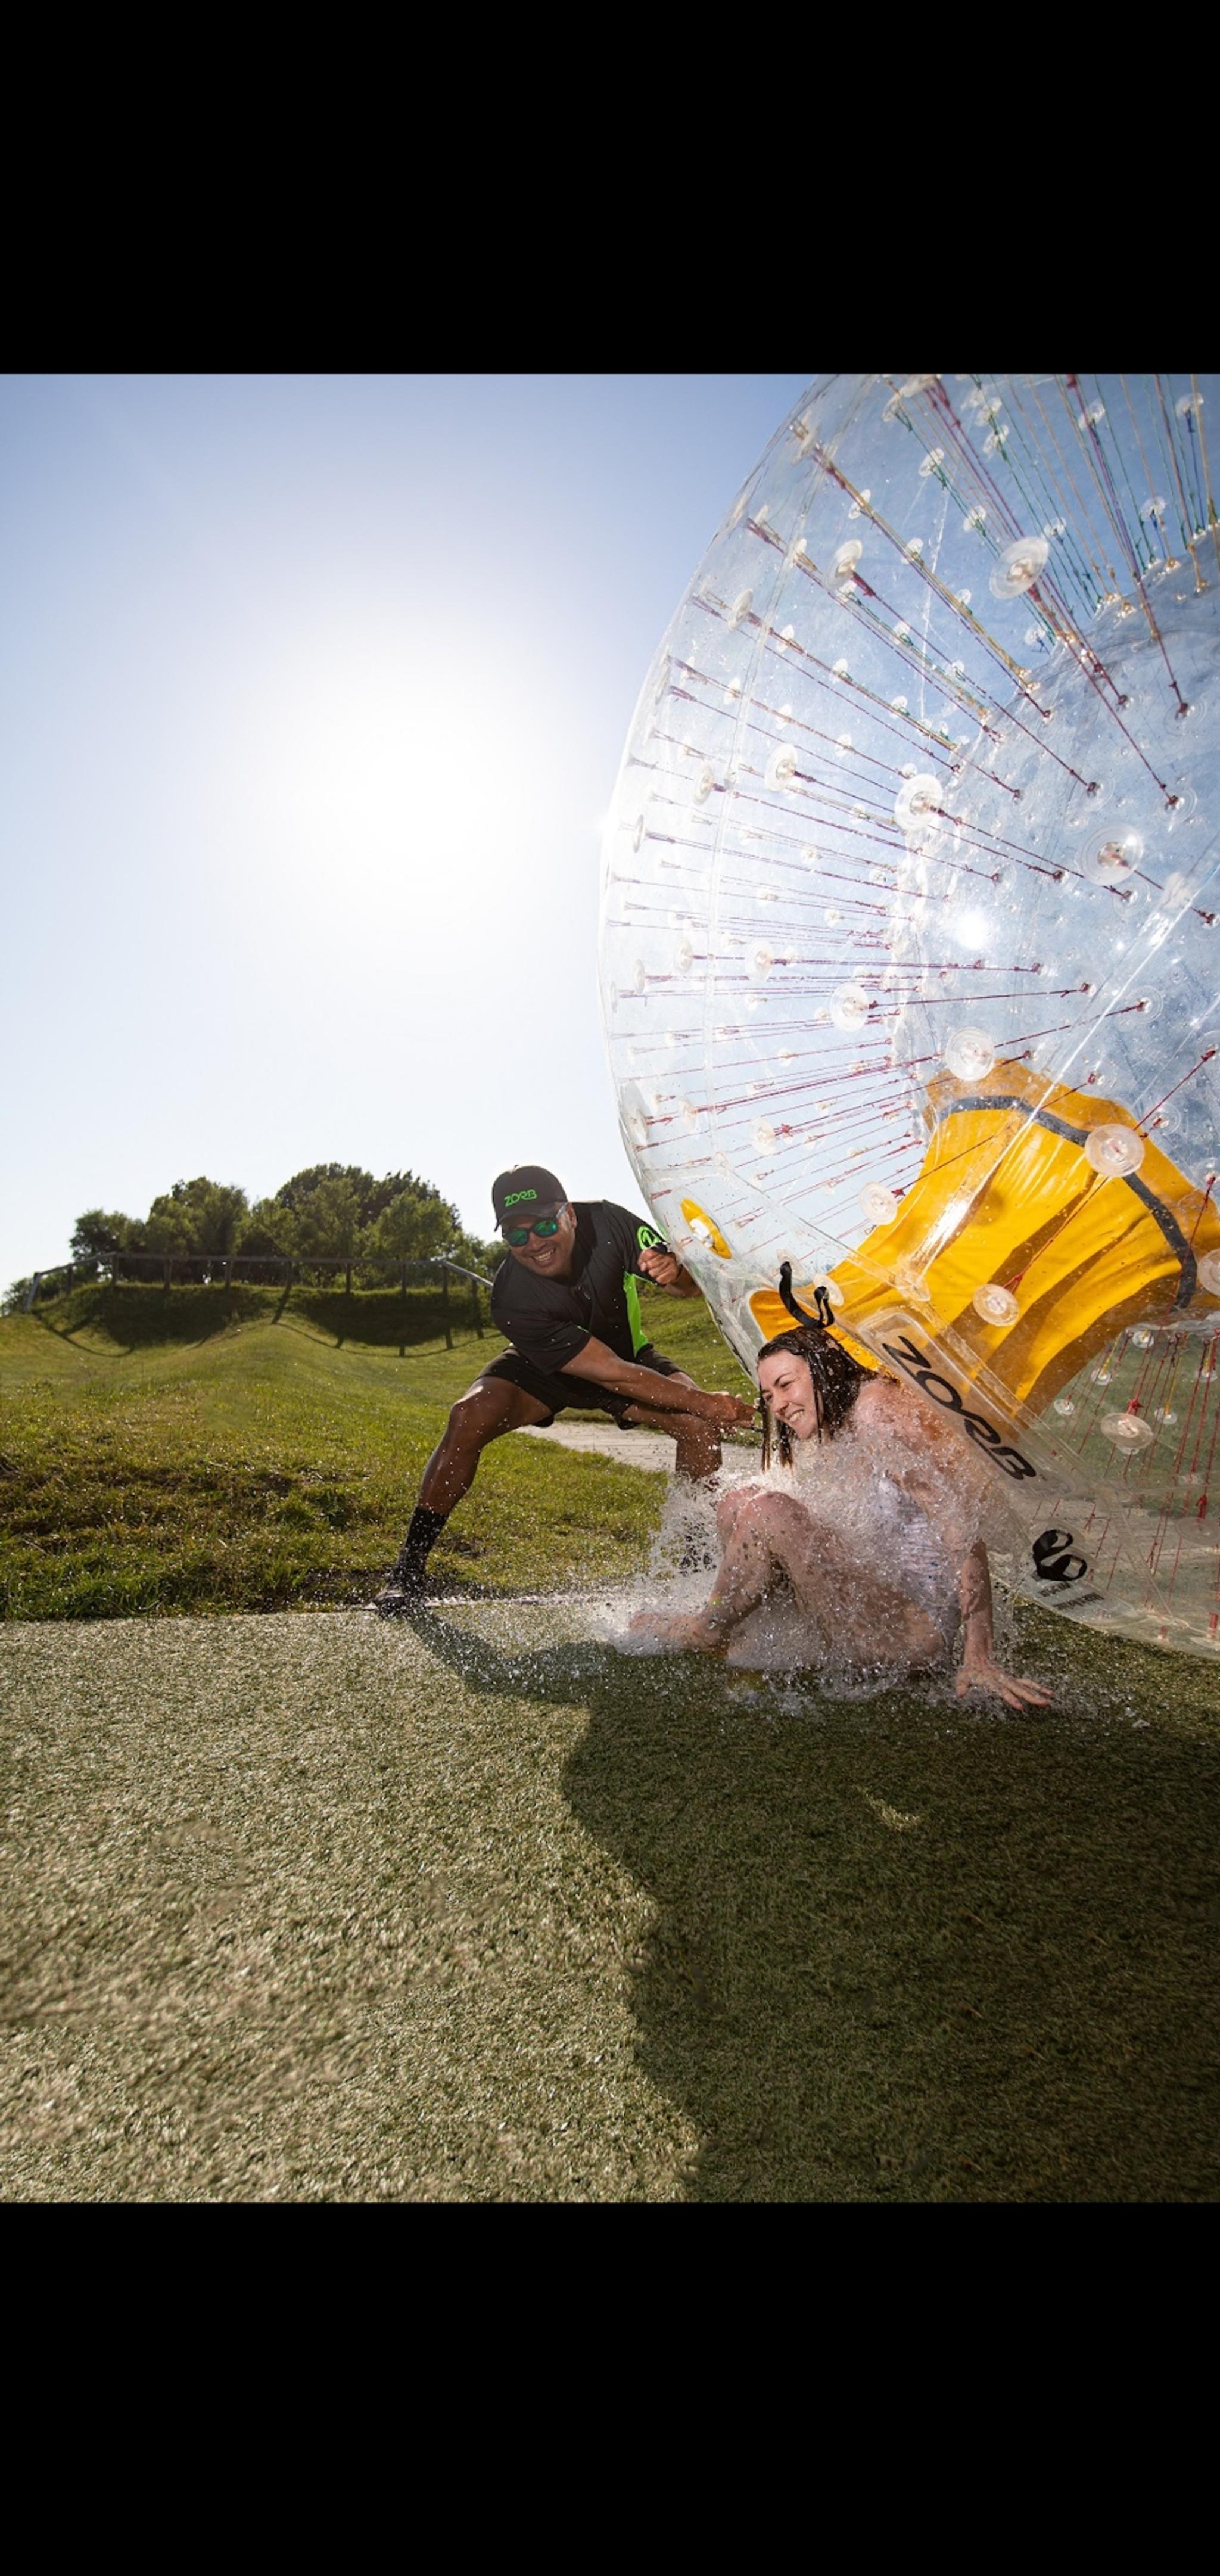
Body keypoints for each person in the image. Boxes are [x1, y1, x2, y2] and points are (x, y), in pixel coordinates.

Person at [374, 1163, 755, 1610]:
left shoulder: (612, 1222)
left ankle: (697, 1565)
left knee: (697, 1427)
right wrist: (707, 1400)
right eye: (517, 1236)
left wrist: (678, 1273)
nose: (534, 1243)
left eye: (544, 1225)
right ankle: (409, 1567)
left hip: (624, 1355)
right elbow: (608, 1373)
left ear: (569, 1214)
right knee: (468, 1415)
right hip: (552, 1369)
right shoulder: (511, 1298)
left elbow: (688, 1290)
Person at [630, 1316, 1052, 1712]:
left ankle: (709, 1629)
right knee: (738, 1501)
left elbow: (963, 1531)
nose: (778, 1405)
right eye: (768, 1395)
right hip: (874, 1601)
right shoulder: (844, 1414)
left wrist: (980, 1656)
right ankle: (741, 1631)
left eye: (786, 1385)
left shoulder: (879, 1417)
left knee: (768, 1510)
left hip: (911, 1634)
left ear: (821, 1368)